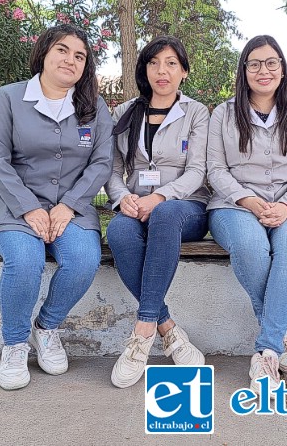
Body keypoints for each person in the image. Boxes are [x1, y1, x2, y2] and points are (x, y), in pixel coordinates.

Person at [0, 24, 114, 391]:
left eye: (80, 55)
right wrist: (28, 209)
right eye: (63, 51)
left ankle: (45, 328)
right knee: (25, 260)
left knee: (83, 260)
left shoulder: (93, 107)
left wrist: (68, 205)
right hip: (14, 208)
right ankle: (15, 344)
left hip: (73, 209)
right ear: (44, 54)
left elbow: (101, 163)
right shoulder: (8, 98)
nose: (71, 60)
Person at [207, 35, 287, 395]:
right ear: (244, 71)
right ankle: (277, 330)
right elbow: (215, 169)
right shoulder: (223, 113)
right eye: (254, 63)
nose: (264, 70)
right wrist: (250, 202)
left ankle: (267, 350)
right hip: (234, 206)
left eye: (272, 62)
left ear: (283, 69)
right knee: (251, 247)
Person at [105, 36, 210, 388]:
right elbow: (112, 168)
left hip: (185, 207)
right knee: (118, 232)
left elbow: (198, 171)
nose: (161, 71)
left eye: (170, 63)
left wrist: (161, 197)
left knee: (165, 217)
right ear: (144, 69)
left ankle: (142, 330)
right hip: (135, 206)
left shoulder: (196, 113)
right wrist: (123, 199)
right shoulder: (124, 113)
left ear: (184, 71)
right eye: (153, 63)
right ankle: (167, 329)